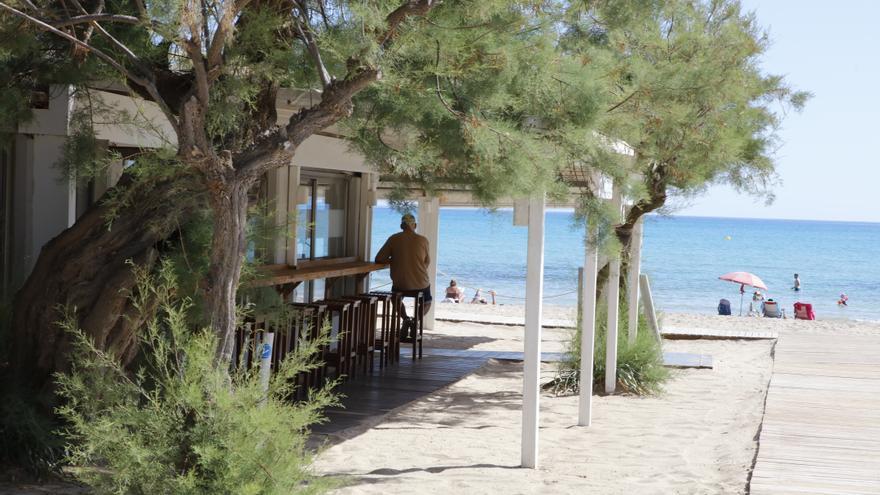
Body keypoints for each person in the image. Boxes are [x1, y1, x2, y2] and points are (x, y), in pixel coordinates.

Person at [374, 213, 432, 339]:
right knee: (427, 301)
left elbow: (379, 258)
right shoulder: (423, 240)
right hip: (421, 283)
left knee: (396, 299)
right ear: (415, 225)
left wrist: (394, 260)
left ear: (401, 226)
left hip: (400, 284)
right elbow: (427, 261)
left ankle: (405, 319)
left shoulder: (393, 239)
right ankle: (415, 321)